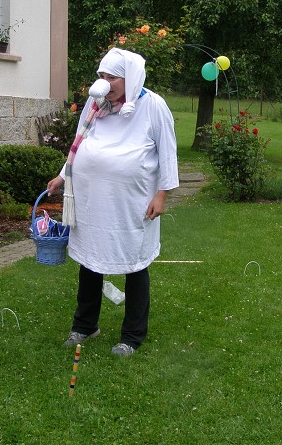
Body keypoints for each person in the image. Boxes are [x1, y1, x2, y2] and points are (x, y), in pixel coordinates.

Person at [47, 48, 179, 357]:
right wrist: (63, 176)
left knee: (134, 263)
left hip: (132, 203)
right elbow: (79, 142)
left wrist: (162, 194)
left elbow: (168, 152)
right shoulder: (96, 105)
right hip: (92, 200)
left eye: (112, 77)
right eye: (101, 76)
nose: (104, 83)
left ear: (129, 77)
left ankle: (132, 336)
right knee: (91, 260)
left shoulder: (153, 106)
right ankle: (85, 325)